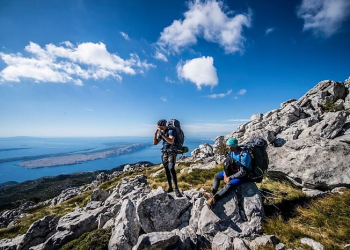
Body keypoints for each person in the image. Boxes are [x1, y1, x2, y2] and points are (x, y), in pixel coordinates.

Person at [206, 137, 252, 208]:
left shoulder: (244, 156)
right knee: (216, 176)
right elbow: (227, 165)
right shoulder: (231, 152)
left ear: (233, 146)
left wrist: (230, 178)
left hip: (243, 176)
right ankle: (212, 194)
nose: (226, 147)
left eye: (228, 146)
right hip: (233, 171)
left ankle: (214, 199)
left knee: (229, 184)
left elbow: (243, 172)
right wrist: (225, 174)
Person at [153, 119, 182, 197]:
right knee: (166, 170)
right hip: (165, 152)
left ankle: (176, 189)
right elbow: (155, 143)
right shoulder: (162, 132)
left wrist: (162, 134)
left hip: (172, 151)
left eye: (159, 126)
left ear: (163, 125)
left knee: (171, 168)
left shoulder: (171, 130)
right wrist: (155, 134)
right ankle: (170, 187)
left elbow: (171, 141)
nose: (158, 127)